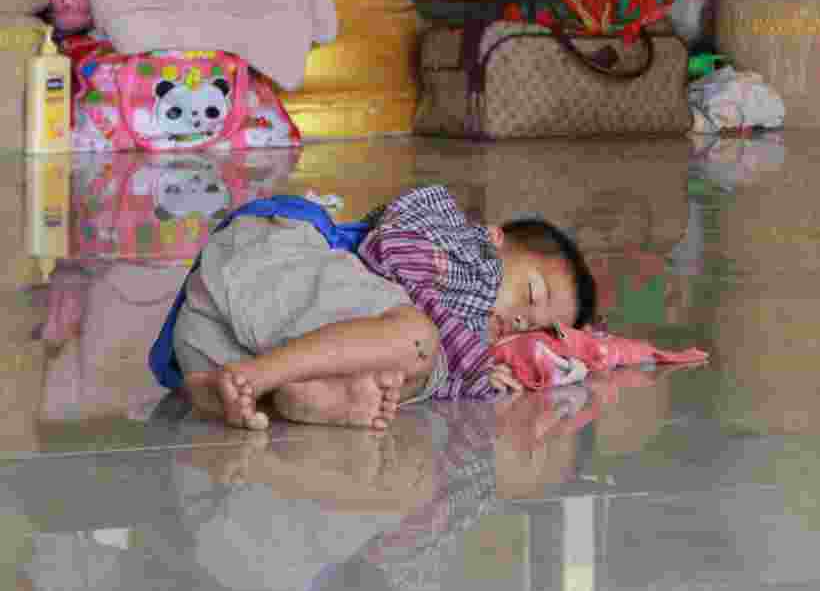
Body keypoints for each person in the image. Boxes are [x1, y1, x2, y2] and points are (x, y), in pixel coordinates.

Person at [159, 184, 597, 432]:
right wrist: (471, 356)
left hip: (211, 350)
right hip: (267, 266)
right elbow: (395, 250)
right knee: (417, 339)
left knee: (407, 371)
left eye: (533, 326)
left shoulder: (455, 343)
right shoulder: (456, 243)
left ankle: (283, 394)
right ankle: (265, 379)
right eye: (531, 293)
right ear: (494, 238)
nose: (521, 318)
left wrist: (472, 373)